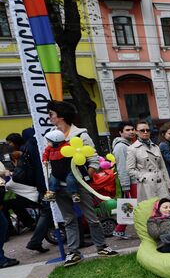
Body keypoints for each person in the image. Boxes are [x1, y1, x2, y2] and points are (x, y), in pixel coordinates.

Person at [46, 100, 118, 266]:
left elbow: (93, 159)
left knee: (92, 218)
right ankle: (73, 253)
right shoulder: (50, 135)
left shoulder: (81, 135)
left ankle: (102, 247)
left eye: (51, 114)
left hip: (79, 184)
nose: (49, 118)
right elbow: (49, 159)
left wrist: (85, 177)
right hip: (59, 186)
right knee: (69, 220)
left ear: (61, 116)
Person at [126, 120, 170, 203]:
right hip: (146, 185)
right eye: (142, 130)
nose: (145, 132)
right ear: (136, 132)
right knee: (150, 210)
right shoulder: (132, 149)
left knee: (165, 209)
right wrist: (143, 177)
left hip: (161, 183)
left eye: (148, 130)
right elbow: (130, 169)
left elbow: (162, 167)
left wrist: (168, 184)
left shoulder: (156, 147)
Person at [41, 130, 78, 202]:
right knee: (52, 180)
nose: (47, 143)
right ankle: (52, 193)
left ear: (56, 142)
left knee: (70, 180)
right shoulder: (49, 148)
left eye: (49, 141)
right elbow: (45, 154)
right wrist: (45, 160)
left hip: (67, 169)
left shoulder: (66, 146)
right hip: (55, 170)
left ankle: (74, 193)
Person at [112, 121, 136, 201]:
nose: (131, 132)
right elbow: (122, 167)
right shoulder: (120, 147)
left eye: (133, 129)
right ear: (120, 132)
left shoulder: (130, 144)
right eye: (128, 130)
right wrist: (125, 187)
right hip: (131, 184)